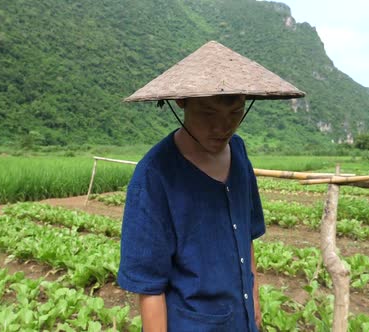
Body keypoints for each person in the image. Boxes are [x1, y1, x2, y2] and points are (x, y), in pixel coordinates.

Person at [117, 41, 304, 331]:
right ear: (182, 102)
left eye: (235, 113)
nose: (223, 128)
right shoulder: (155, 176)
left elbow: (247, 238)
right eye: (208, 114)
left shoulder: (239, 153)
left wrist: (253, 300)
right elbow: (149, 287)